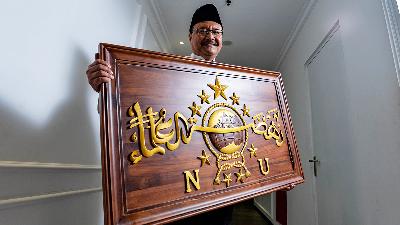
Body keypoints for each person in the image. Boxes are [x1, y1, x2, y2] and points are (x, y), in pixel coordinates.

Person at [86, 4, 233, 225]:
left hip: (222, 186)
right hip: (179, 186)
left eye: (216, 31)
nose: (210, 36)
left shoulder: (234, 82)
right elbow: (129, 112)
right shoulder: (165, 70)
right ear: (190, 36)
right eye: (202, 30)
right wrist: (106, 91)